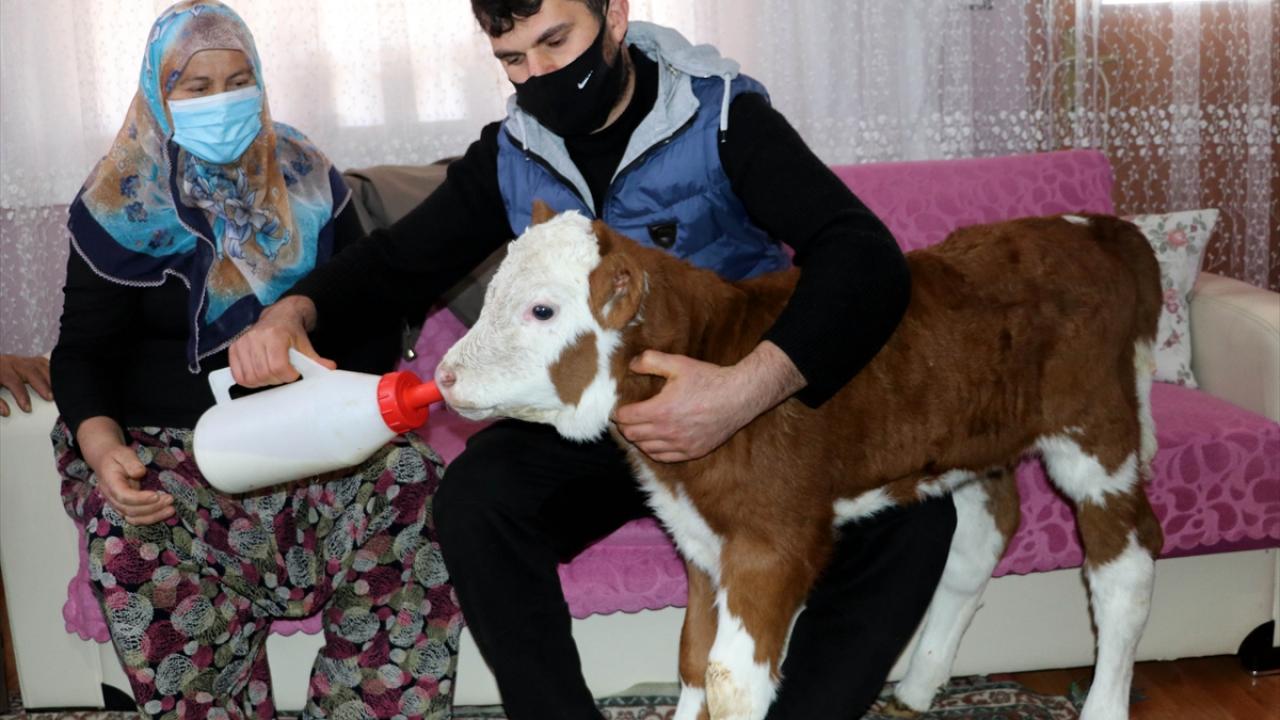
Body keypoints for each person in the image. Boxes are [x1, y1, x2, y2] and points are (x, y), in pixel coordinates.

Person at [232, 1, 957, 718]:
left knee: (915, 517)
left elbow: (865, 259)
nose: (539, 74)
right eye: (513, 60)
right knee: (477, 499)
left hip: (742, 409)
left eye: (555, 41)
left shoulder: (724, 118)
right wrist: (297, 309)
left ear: (614, 16)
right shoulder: (513, 153)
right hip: (592, 418)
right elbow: (395, 263)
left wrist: (741, 391)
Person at [50, 2, 460, 717]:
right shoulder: (119, 199)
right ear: (158, 94)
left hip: (308, 447)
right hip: (171, 457)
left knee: (415, 480)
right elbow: (84, 350)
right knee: (127, 531)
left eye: (239, 81)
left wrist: (316, 374)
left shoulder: (306, 175)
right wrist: (102, 444)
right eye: (196, 86)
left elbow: (367, 315)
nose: (222, 102)